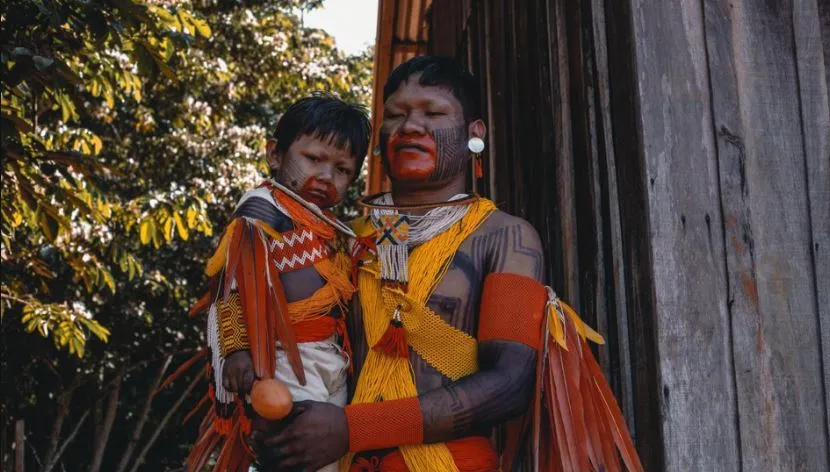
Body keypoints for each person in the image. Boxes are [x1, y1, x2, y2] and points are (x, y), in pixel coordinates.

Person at [253, 57, 642, 472]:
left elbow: (510, 382)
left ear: (475, 134)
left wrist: (352, 429)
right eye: (396, 115)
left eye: (434, 112)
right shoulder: (338, 240)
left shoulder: (505, 237)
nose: (410, 127)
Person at [185, 95, 371, 472]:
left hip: (333, 358)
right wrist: (236, 350)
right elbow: (229, 286)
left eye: (342, 169)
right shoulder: (263, 207)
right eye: (313, 159)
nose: (326, 177)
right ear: (274, 154)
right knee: (305, 455)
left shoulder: (331, 227)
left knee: (330, 458)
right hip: (287, 359)